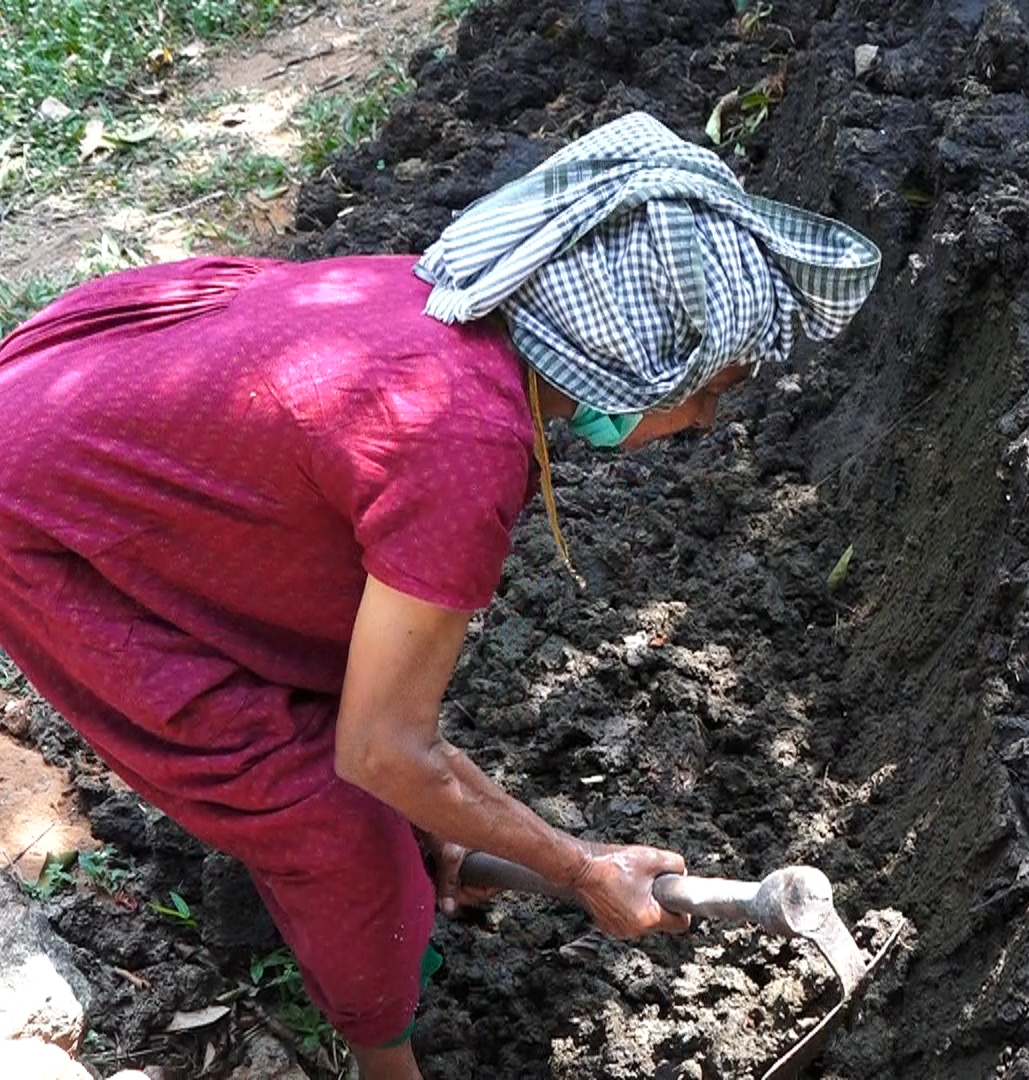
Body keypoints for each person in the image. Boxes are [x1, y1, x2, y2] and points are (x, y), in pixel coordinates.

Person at [0, 112, 879, 1079]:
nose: (707, 416)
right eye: (710, 387)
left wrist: (438, 818)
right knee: (328, 825)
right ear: (639, 351)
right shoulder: (460, 442)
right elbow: (383, 749)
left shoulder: (460, 308)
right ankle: (386, 1066)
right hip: (42, 511)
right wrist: (583, 871)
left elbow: (383, 712)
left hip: (84, 399)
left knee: (362, 725)